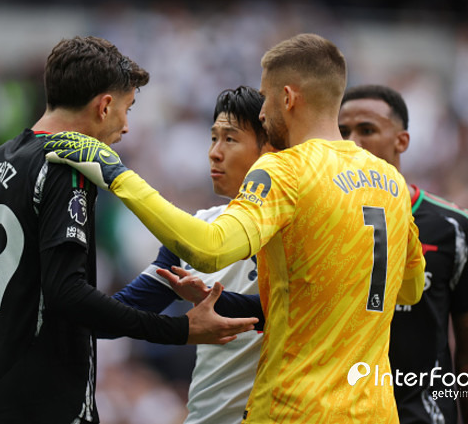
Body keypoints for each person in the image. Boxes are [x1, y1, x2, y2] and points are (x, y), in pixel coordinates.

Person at [43, 33, 426, 423]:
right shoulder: (391, 182)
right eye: (214, 138)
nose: (263, 112)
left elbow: (210, 249)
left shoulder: (285, 171)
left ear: (289, 98)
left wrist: (116, 175)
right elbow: (409, 287)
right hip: (373, 411)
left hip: (295, 408)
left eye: (267, 98)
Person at [0, 36, 257, 424]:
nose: (126, 126)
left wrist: (12, 330)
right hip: (50, 406)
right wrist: (180, 329)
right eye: (127, 109)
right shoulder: (69, 166)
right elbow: (68, 294)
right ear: (105, 106)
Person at [112, 85, 271, 424]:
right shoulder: (197, 228)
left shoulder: (299, 234)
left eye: (230, 139)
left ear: (268, 150)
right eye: (213, 138)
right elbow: (122, 312)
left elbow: (294, 311)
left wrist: (215, 303)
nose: (214, 152)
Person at [339, 84, 468, 424]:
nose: (351, 143)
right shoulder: (318, 223)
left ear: (402, 141)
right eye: (342, 132)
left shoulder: (454, 227)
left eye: (367, 130)